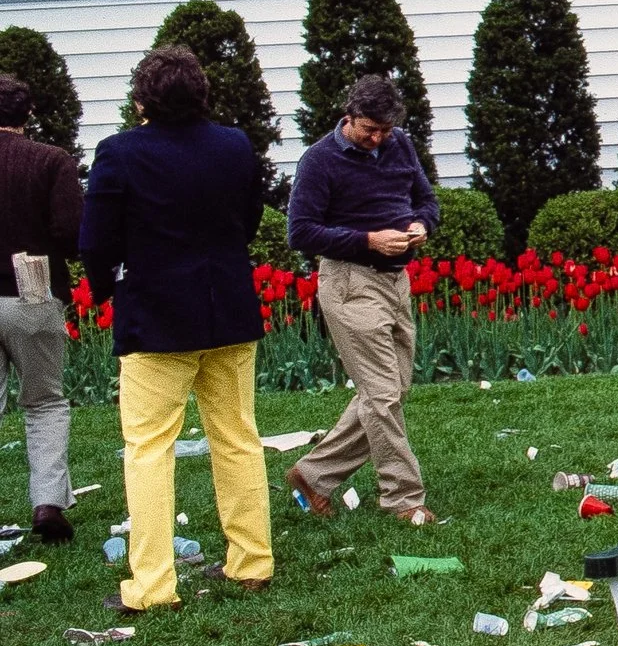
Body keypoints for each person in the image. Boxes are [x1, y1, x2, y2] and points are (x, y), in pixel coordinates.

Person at [81, 45, 271, 613]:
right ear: (203, 94)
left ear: (141, 100)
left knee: (147, 450)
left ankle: (153, 587)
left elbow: (95, 241)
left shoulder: (118, 153)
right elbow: (251, 216)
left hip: (156, 317)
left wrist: (105, 288)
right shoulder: (235, 145)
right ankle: (251, 563)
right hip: (228, 309)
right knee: (237, 437)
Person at [286, 75, 444, 526]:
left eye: (384, 131)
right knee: (381, 395)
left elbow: (426, 198)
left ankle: (312, 475)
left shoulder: (401, 145)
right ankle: (403, 498)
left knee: (394, 390)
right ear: (348, 116)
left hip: (396, 280)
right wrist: (368, 241)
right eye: (368, 129)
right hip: (350, 282)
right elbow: (300, 232)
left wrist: (421, 225)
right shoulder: (319, 160)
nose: (376, 139)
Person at [0, 76, 81, 545]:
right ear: (27, 115)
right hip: (32, 288)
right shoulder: (51, 160)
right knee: (45, 401)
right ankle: (48, 502)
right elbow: (70, 231)